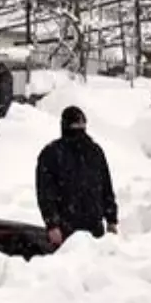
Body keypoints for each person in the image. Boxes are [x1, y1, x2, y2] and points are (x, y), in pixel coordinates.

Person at [35, 105, 118, 248]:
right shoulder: (52, 154)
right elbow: (46, 193)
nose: (79, 127)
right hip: (66, 230)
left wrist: (111, 219)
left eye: (82, 123)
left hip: (94, 228)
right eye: (76, 124)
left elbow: (106, 186)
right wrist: (52, 224)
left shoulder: (94, 151)